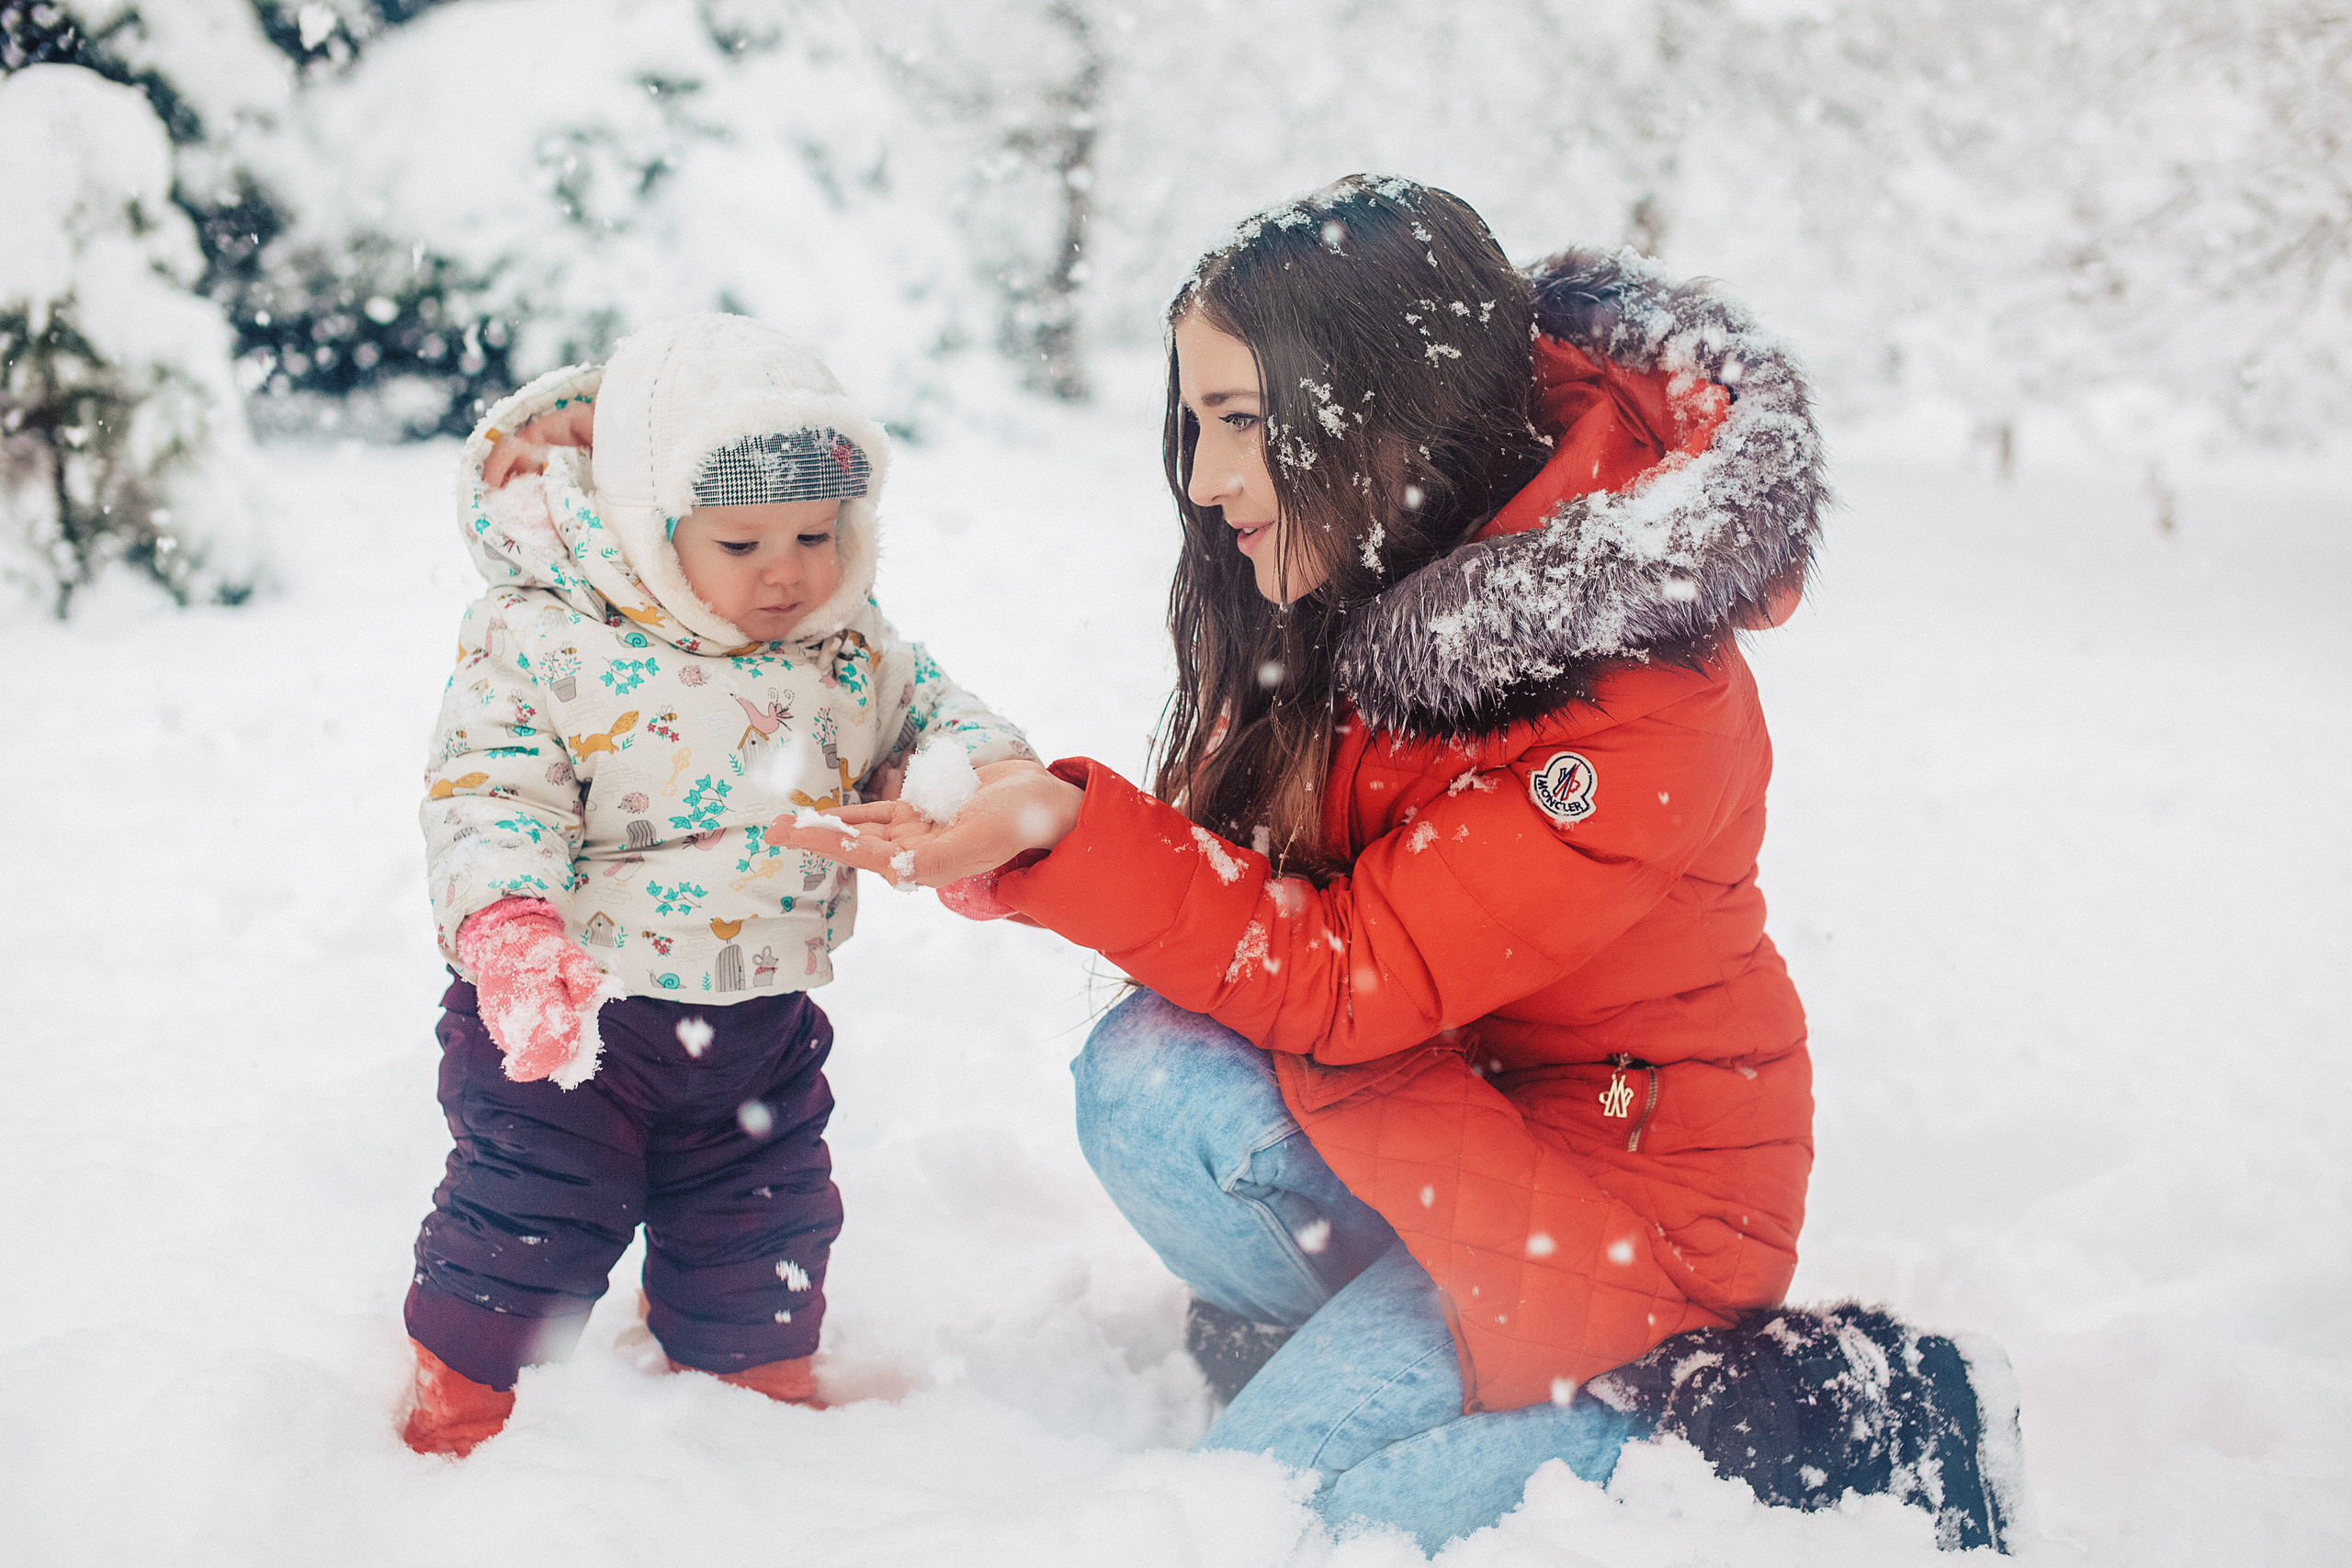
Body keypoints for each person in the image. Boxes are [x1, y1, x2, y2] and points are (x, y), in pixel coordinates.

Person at [769, 176, 2026, 1553]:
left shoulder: (1634, 699)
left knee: (1274, 1512)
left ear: (1379, 410)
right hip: (1447, 1092)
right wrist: (1020, 819)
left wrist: (1073, 837)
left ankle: (1809, 1430)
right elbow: (1280, 917)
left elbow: (1343, 975)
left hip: (1632, 1206)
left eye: (1243, 424)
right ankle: (1394, 1350)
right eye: (1197, 422)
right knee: (1146, 1081)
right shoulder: (1377, 563)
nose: (1204, 476)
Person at [401, 312, 1034, 1456]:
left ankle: (756, 1409)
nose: (788, 573)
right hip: (573, 1028)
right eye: (740, 545)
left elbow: (938, 720)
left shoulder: (849, 646)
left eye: (816, 533)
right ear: (649, 531)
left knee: (767, 1236)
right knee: (525, 1230)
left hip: (760, 1030)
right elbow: (491, 795)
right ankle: (459, 1412)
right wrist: (509, 932)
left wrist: (982, 792)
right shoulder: (549, 642)